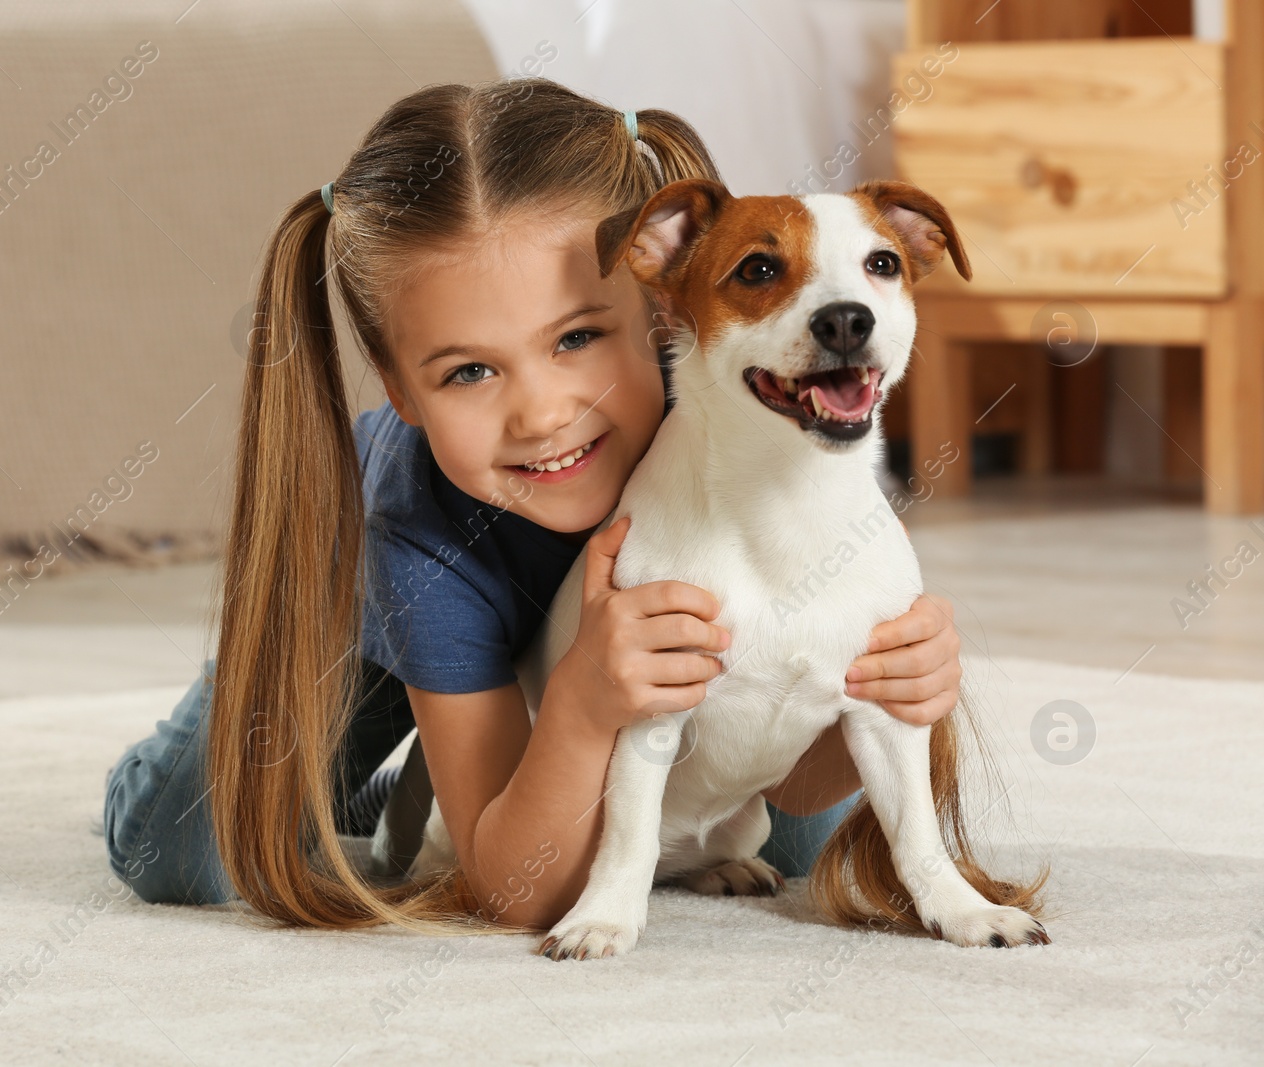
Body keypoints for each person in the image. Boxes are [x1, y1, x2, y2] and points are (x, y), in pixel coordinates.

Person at [103, 79, 963, 934]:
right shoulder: (414, 536)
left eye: (578, 338)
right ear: (399, 388)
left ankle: (455, 766)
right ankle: (373, 773)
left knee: (798, 836)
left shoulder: (743, 393)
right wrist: (584, 706)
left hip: (600, 622)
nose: (545, 413)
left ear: (663, 306)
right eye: (469, 370)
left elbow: (790, 775)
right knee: (188, 850)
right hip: (381, 616)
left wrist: (896, 683)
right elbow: (517, 891)